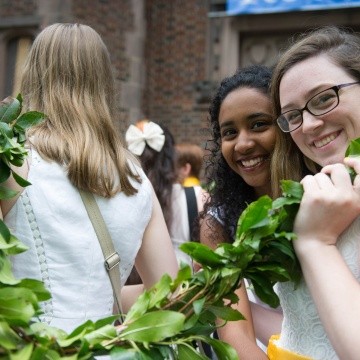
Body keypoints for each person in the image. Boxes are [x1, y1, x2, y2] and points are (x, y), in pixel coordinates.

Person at [1, 23, 178, 333]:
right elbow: (170, 294)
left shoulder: (11, 161)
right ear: (104, 82)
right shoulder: (135, 177)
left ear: (34, 76)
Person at [269, 25, 360, 360]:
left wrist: (315, 243)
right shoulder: (309, 198)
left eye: (324, 98)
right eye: (292, 115)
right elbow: (301, 323)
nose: (307, 126)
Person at [197, 64, 282, 359]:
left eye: (258, 124)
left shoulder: (329, 194)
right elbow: (236, 334)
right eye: (230, 132)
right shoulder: (217, 223)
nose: (243, 144)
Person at [125, 119, 207, 267]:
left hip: (136, 287)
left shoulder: (123, 199)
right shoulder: (198, 197)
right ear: (172, 157)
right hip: (186, 285)